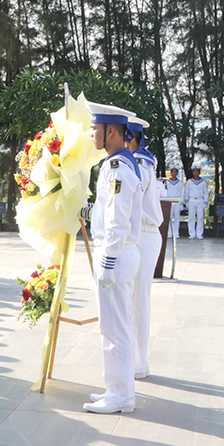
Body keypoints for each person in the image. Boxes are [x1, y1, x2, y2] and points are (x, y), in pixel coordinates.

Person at [84, 102, 141, 414]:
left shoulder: (118, 167)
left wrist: (107, 263)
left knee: (115, 328)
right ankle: (116, 389)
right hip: (115, 252)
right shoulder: (115, 164)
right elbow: (109, 211)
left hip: (115, 254)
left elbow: (119, 221)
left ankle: (120, 396)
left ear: (110, 132)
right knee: (114, 327)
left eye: (95, 128)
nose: (91, 134)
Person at [127, 115, 158, 381]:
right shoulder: (140, 161)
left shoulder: (138, 163)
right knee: (133, 299)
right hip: (141, 235)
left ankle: (139, 360)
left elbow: (129, 201)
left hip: (144, 234)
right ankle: (134, 358)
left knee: (138, 300)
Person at [184, 165, 208, 239]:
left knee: (200, 217)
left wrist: (205, 201)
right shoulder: (189, 182)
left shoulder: (203, 182)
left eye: (197, 171)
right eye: (194, 171)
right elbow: (186, 192)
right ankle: (191, 233)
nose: (195, 173)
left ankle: (199, 233)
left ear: (199, 172)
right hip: (191, 200)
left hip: (200, 200)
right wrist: (187, 201)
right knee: (191, 217)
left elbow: (206, 192)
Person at [163, 167, 183, 239]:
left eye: (175, 172)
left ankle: (176, 233)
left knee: (177, 217)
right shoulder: (167, 182)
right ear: (171, 173)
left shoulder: (180, 183)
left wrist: (181, 203)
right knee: (169, 217)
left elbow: (182, 193)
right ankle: (169, 233)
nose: (174, 173)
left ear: (177, 173)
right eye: (173, 172)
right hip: (169, 200)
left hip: (177, 201)